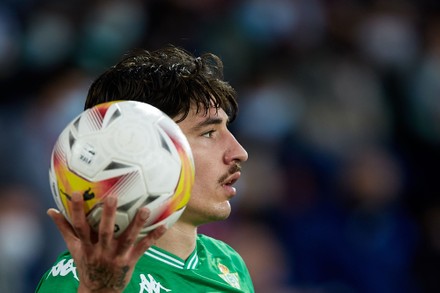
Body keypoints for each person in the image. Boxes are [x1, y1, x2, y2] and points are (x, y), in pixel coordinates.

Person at [36, 45, 253, 293]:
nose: (239, 152)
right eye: (208, 133)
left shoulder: (229, 263)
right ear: (137, 151)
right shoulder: (79, 277)